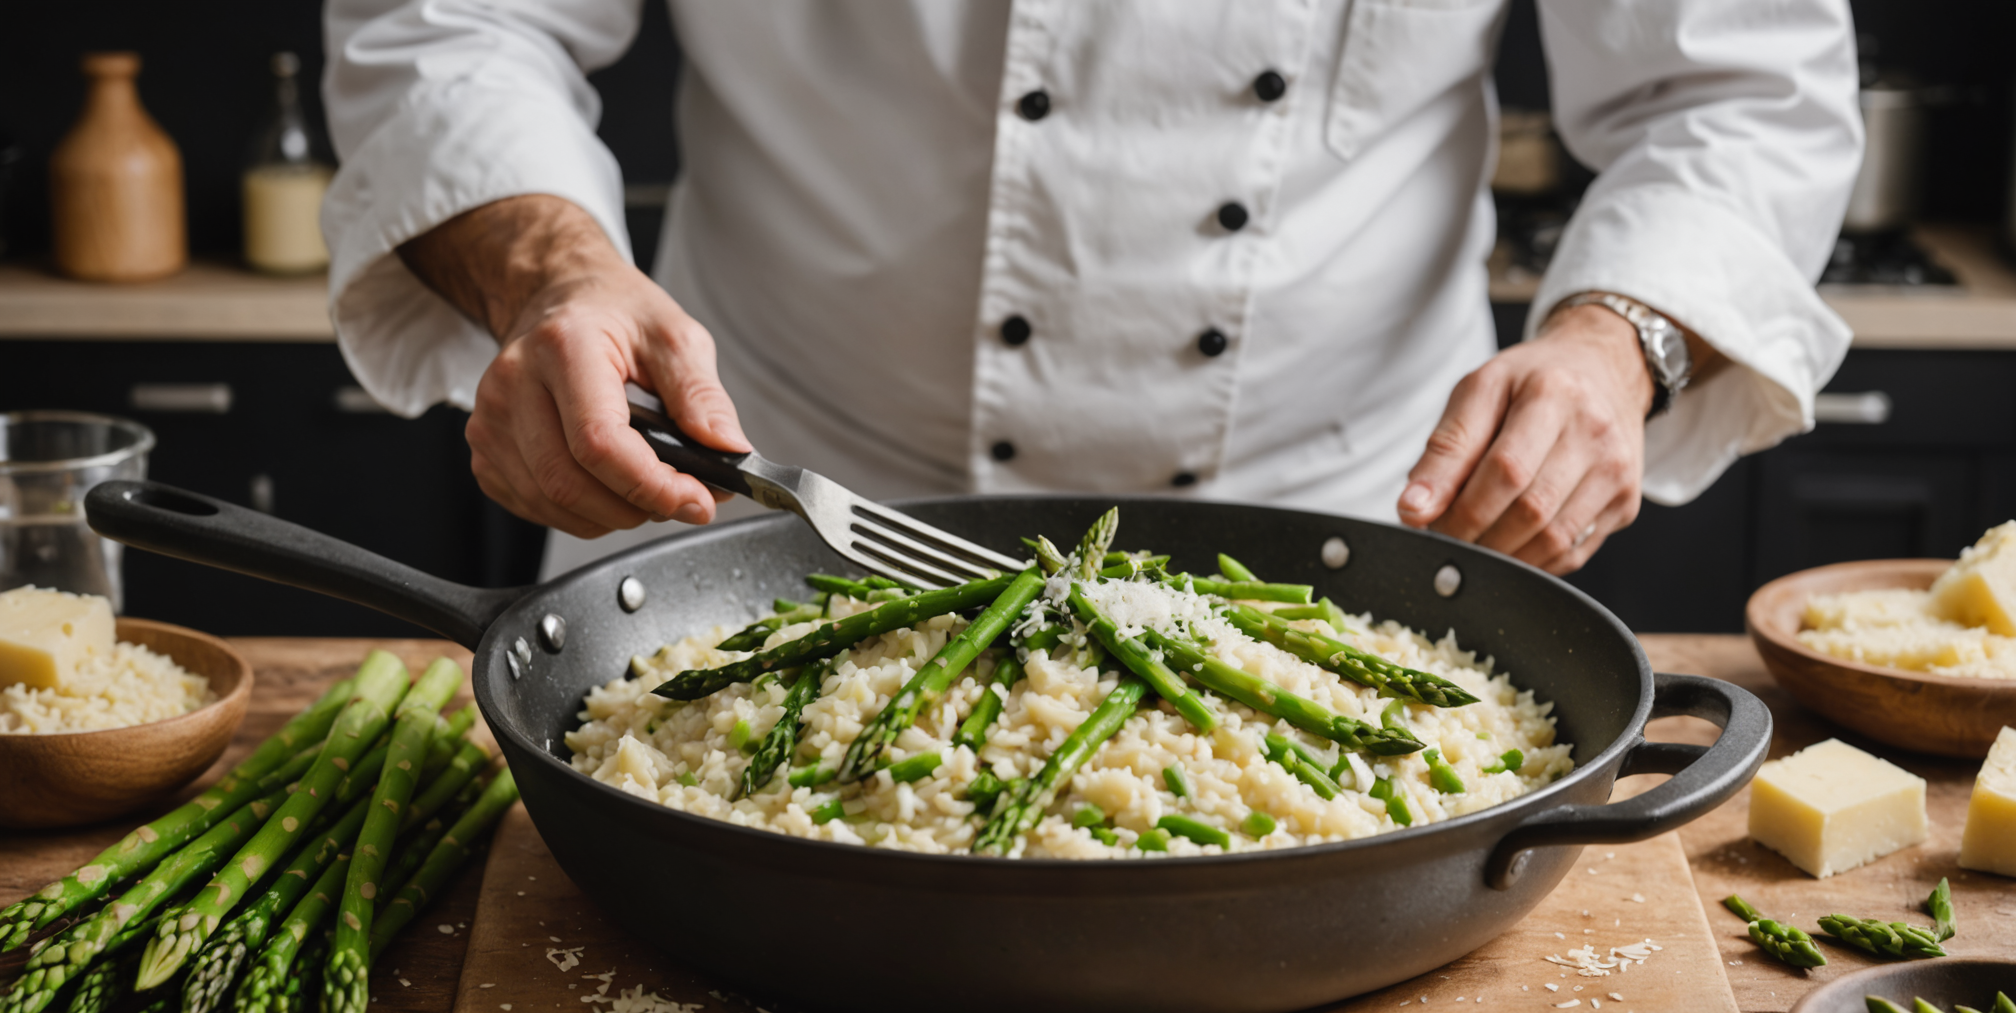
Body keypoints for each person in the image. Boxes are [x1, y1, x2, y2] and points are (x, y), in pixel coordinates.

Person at [321, 1, 1859, 580]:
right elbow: (456, 20)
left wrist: (1619, 342)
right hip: (769, 511)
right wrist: (552, 278)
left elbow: (1731, 87)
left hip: (1347, 529)